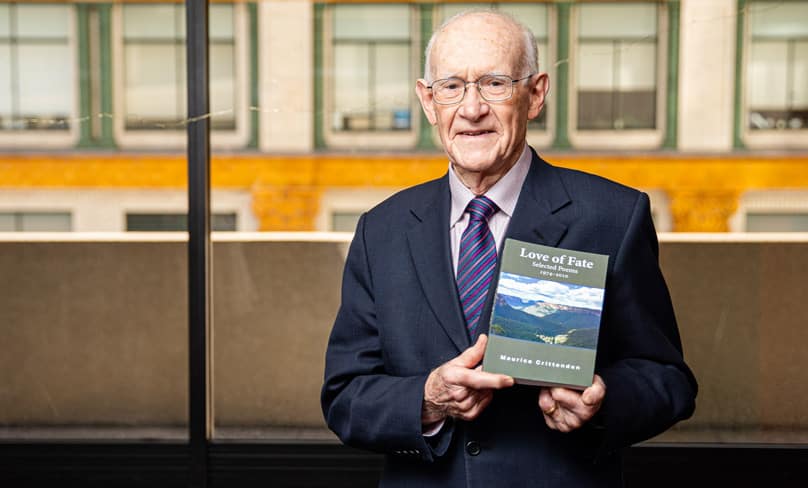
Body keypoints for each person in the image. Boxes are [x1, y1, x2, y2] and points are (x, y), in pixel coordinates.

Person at [321, 10, 697, 487]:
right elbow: (344, 397)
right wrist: (428, 399)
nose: (472, 108)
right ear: (427, 100)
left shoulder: (611, 217)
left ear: (535, 93)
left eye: (495, 84)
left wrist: (604, 399)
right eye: (451, 86)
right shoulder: (383, 230)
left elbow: (669, 381)